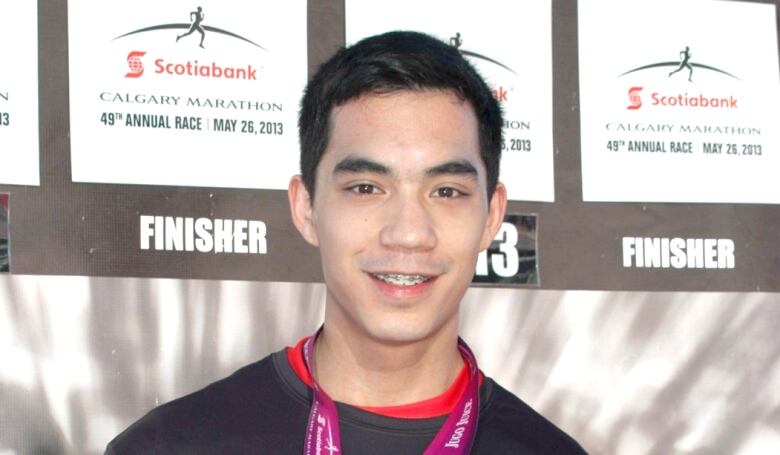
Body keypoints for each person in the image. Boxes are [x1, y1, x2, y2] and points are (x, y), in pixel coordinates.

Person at [106, 31, 586, 454]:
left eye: (446, 191)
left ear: (492, 217)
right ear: (306, 207)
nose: (408, 232)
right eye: (365, 188)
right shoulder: (170, 445)